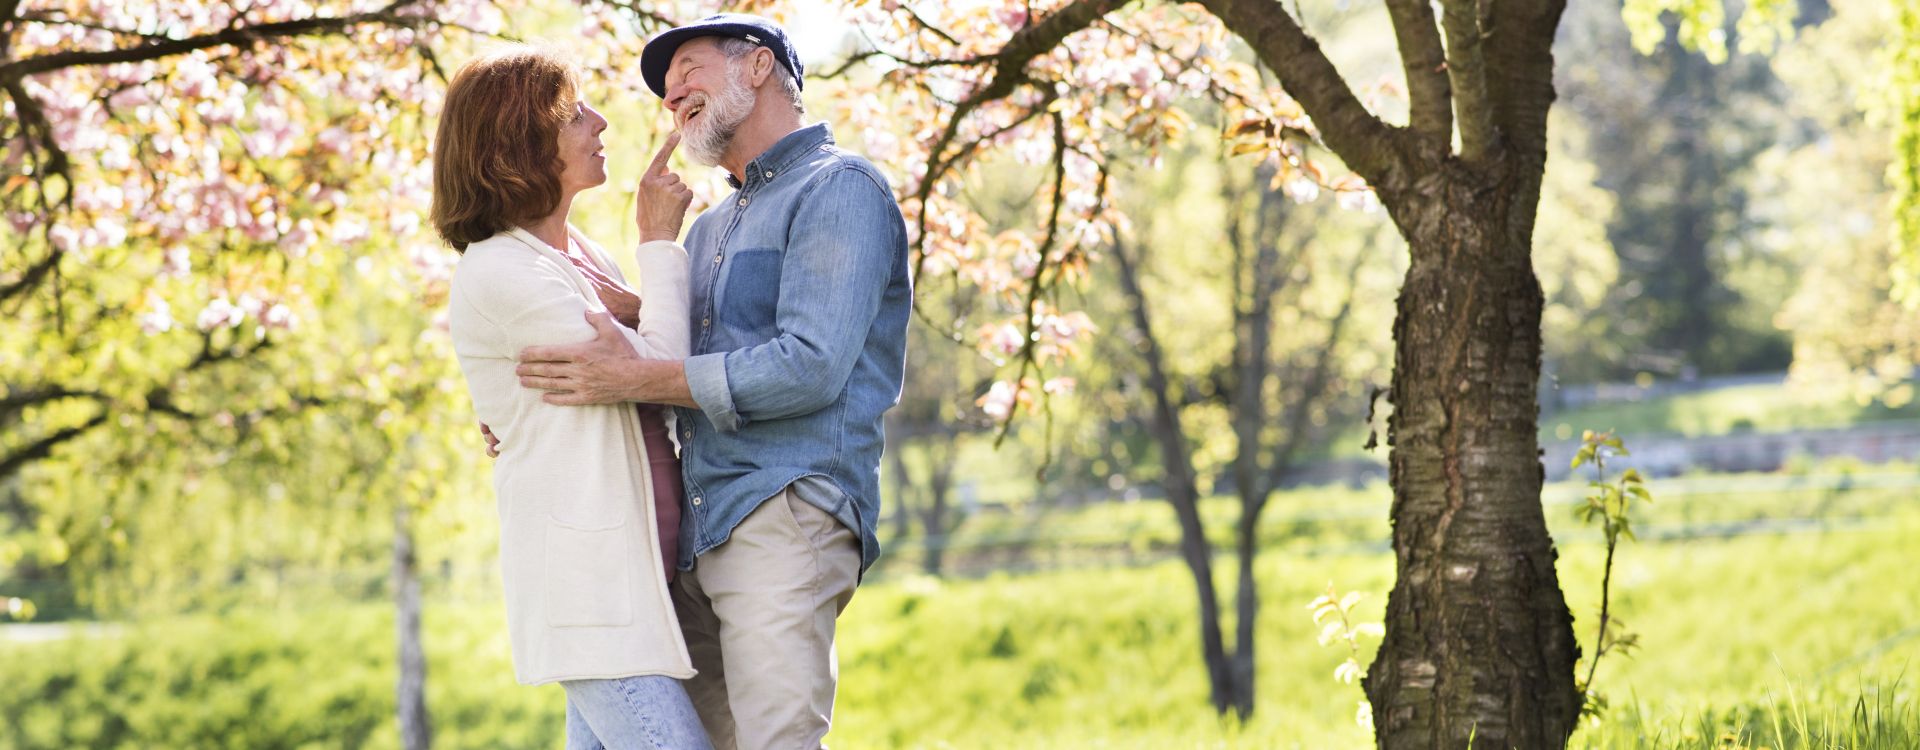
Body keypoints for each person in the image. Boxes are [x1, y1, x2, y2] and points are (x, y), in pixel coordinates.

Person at [510, 14, 913, 750]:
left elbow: (809, 367)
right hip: (695, 537)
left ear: (757, 67)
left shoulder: (839, 189)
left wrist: (633, 375)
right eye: (667, 92)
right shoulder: (710, 227)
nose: (673, 96)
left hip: (783, 510)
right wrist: (531, 411)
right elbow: (670, 358)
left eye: (688, 71)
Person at [432, 46, 711, 750]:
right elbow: (664, 368)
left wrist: (639, 306)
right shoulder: (501, 270)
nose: (600, 122)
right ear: (522, 140)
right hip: (597, 602)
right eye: (574, 112)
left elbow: (645, 360)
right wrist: (658, 243)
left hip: (635, 588)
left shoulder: (578, 258)